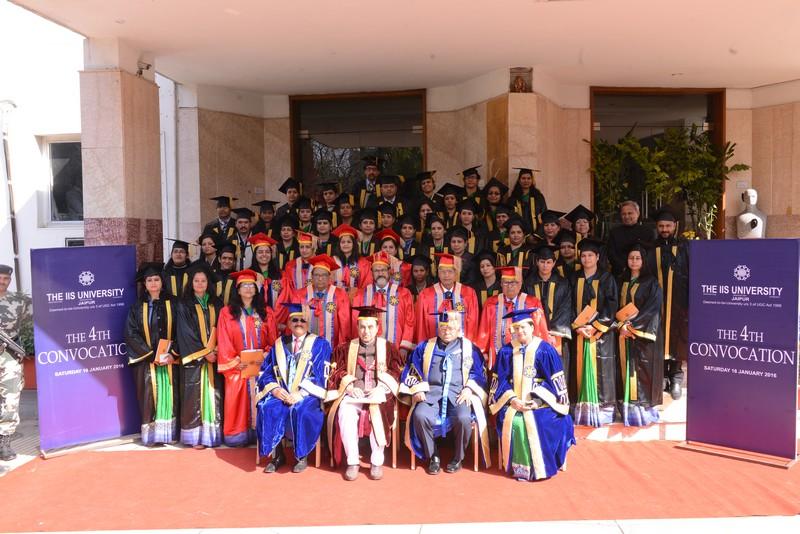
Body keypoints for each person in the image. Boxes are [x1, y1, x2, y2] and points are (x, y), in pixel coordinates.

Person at [400, 310, 490, 474]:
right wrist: (417, 389)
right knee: (420, 415)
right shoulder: (425, 347)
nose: (446, 331)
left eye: (451, 328)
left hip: (458, 394)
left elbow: (479, 372)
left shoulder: (469, 348)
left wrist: (469, 388)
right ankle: (432, 455)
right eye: (443, 328)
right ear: (438, 328)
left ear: (458, 329)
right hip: (431, 394)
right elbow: (412, 369)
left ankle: (458, 457)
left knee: (463, 418)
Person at [489, 309, 575, 481]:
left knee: (543, 422)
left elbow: (555, 381)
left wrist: (537, 401)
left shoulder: (545, 350)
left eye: (523, 327)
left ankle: (543, 467)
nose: (520, 331)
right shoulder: (506, 352)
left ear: (532, 327)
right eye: (516, 328)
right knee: (517, 422)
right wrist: (512, 399)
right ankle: (522, 469)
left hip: (542, 402)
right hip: (513, 402)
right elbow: (499, 380)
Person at [326, 306, 405, 480]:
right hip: (355, 393)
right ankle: (353, 461)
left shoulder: (388, 348)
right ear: (357, 327)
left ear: (377, 328)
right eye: (362, 327)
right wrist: (349, 386)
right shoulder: (346, 348)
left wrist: (382, 387)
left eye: (370, 327)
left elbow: (397, 371)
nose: (366, 331)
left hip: (378, 393)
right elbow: (336, 371)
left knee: (379, 411)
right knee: (345, 411)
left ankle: (376, 462)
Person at [256, 303, 332, 473]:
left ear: (308, 323)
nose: (299, 323)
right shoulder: (279, 344)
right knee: (267, 407)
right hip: (282, 394)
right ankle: (277, 455)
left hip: (307, 395)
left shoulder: (320, 344)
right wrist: (275, 390)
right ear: (289, 324)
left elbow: (321, 375)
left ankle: (301, 456)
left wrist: (300, 394)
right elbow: (266, 372)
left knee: (301, 410)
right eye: (295, 320)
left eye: (302, 320)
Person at [217, 270, 278, 447]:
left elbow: (273, 339)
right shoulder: (227, 313)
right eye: (244, 285)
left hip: (261, 366)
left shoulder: (266, 312)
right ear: (238, 289)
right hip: (238, 367)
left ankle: (261, 433)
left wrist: (266, 354)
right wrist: (236, 361)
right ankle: (238, 435)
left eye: (252, 285)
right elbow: (224, 339)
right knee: (237, 395)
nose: (249, 288)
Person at [124, 262, 179, 447]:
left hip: (170, 360)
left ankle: (169, 434)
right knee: (149, 396)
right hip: (147, 362)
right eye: (149, 280)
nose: (153, 283)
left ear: (162, 282)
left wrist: (173, 352)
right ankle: (153, 436)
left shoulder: (175, 303)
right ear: (145, 284)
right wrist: (149, 354)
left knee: (171, 393)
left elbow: (183, 330)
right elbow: (131, 333)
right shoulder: (137, 307)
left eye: (156, 279)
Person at [571, 238, 618, 427]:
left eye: (590, 255)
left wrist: (596, 326)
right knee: (577, 371)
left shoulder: (607, 278)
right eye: (583, 255)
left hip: (600, 335)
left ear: (597, 257)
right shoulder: (573, 278)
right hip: (579, 334)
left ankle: (603, 412)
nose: (587, 259)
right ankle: (581, 411)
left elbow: (612, 305)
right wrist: (577, 326)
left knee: (602, 373)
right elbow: (567, 303)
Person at [176, 263, 223, 448]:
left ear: (208, 283)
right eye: (196, 280)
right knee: (193, 396)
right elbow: (185, 332)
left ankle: (211, 436)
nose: (200, 284)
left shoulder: (216, 303)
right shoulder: (184, 304)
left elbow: (224, 328)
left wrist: (217, 349)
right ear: (191, 282)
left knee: (214, 394)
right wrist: (205, 353)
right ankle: (194, 437)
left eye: (203, 280)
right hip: (195, 359)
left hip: (215, 357)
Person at [618, 242, 663, 426]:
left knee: (642, 371)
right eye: (631, 258)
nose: (634, 261)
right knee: (625, 369)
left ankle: (643, 412)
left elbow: (653, 308)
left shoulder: (651, 282)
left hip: (642, 335)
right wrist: (620, 325)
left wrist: (632, 326)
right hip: (623, 332)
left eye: (638, 258)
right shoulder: (621, 280)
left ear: (644, 261)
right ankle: (627, 411)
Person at [647, 207, 689, 400]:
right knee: (659, 334)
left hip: (679, 300)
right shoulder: (650, 248)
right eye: (661, 226)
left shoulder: (685, 247)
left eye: (668, 226)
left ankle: (676, 377)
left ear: (675, 226)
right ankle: (662, 375)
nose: (664, 229)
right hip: (657, 302)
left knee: (678, 336)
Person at [476, 266, 549, 369]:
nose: (510, 286)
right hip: (498, 357)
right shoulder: (491, 303)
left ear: (520, 284)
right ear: (501, 284)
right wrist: (482, 352)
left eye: (514, 283)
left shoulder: (532, 303)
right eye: (506, 283)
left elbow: (540, 330)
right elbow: (484, 331)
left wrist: (541, 352)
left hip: (526, 357)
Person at [525, 244, 574, 391]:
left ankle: (559, 399)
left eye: (548, 262)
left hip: (557, 336)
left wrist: (553, 332)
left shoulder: (563, 283)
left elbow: (566, 308)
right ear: (536, 262)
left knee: (558, 368)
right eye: (542, 262)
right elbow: (527, 308)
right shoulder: (528, 283)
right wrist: (539, 331)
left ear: (554, 263)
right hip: (535, 335)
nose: (545, 265)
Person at [350, 252, 415, 356]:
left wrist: (404, 348)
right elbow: (355, 322)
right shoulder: (361, 294)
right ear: (371, 273)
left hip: (396, 351)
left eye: (383, 270)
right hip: (368, 352)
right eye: (376, 270)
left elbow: (409, 322)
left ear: (390, 271)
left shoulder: (403, 294)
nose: (380, 273)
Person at [0, 264, 32, 461]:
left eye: (6, 279)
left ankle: (4, 442)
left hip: (9, 356)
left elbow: (41, 318)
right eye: (0, 278)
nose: (2, 282)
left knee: (10, 398)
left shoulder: (20, 302)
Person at [287, 254, 352, 349]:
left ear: (329, 276)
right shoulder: (300, 295)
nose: (320, 278)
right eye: (316, 275)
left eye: (324, 275)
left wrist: (340, 349)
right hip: (305, 350)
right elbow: (293, 324)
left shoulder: (340, 295)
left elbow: (344, 325)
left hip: (331, 348)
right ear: (312, 276)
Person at [414, 253, 479, 343]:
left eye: (450, 271)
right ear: (438, 274)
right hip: (434, 346)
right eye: (442, 272)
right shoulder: (426, 295)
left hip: (461, 347)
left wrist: (469, 346)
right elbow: (421, 326)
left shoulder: (468, 294)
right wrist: (424, 347)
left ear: (456, 274)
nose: (446, 275)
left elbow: (472, 324)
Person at [606, 200, 655, 280]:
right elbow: (611, 254)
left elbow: (651, 254)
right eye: (624, 214)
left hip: (642, 276)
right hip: (619, 274)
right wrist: (624, 268)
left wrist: (638, 268)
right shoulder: (614, 232)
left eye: (630, 213)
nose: (627, 216)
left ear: (638, 213)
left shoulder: (648, 232)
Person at [248, 233, 281, 308]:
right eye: (260, 252)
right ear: (255, 255)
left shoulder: (280, 275)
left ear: (271, 254)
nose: (264, 254)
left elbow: (284, 298)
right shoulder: (248, 275)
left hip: (276, 314)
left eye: (267, 252)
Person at [331, 224, 368, 292]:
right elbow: (328, 282)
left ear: (354, 244)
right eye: (343, 242)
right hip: (335, 297)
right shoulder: (332, 261)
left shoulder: (363, 263)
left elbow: (366, 284)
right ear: (339, 245)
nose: (346, 244)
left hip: (356, 297)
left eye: (349, 242)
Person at [510, 168, 547, 235]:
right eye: (523, 178)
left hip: (537, 235)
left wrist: (537, 235)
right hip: (518, 235)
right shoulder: (513, 199)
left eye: (528, 178)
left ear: (532, 180)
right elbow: (511, 218)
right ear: (519, 180)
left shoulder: (538, 197)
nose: (526, 181)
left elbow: (544, 216)